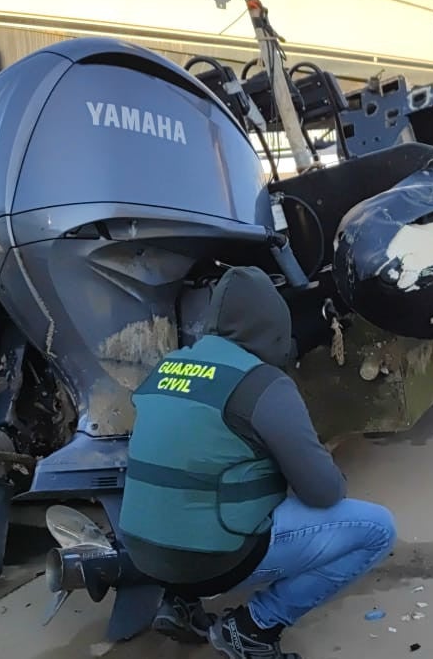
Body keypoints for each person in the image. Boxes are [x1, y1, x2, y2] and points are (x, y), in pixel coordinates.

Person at [117, 265, 398, 659]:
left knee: (199, 482)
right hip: (214, 560)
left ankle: (179, 603)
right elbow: (324, 491)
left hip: (145, 553)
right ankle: (254, 627)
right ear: (273, 324)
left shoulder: (167, 367)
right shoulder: (262, 384)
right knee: (376, 529)